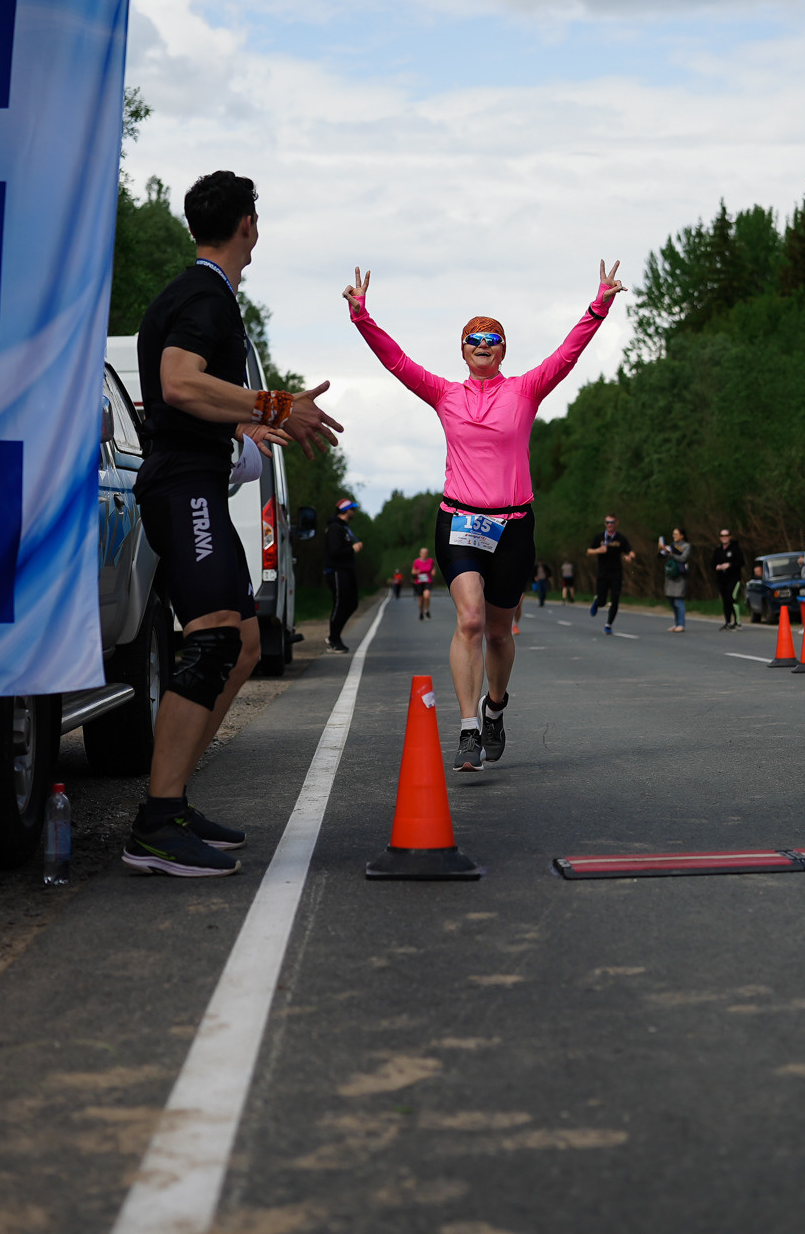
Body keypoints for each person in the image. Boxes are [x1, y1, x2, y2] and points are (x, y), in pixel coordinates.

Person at [124, 172, 341, 879]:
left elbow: (180, 397)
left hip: (194, 480)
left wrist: (246, 420)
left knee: (244, 644)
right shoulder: (204, 296)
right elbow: (178, 381)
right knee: (215, 634)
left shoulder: (202, 293)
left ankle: (173, 802)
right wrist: (274, 404)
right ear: (249, 226)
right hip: (181, 485)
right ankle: (156, 821)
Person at [347, 260, 623, 771]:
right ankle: (469, 727)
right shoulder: (444, 394)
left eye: (492, 338)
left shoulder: (525, 390)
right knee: (470, 620)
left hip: (514, 524)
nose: (482, 345)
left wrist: (599, 303)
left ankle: (495, 708)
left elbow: (568, 354)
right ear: (462, 349)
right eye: (473, 338)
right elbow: (398, 362)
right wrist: (363, 317)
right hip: (460, 522)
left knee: (499, 632)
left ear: (503, 349)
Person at [323, 498, 364, 653]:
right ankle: (333, 639)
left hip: (347, 570)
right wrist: (353, 549)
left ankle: (335, 636)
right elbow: (334, 552)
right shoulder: (334, 528)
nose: (353, 512)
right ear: (346, 511)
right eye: (352, 509)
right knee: (340, 604)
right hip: (337, 571)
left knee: (352, 603)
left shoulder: (344, 528)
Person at [586, 514, 632, 632]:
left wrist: (629, 557)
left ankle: (608, 624)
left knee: (615, 599)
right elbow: (589, 551)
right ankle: (597, 602)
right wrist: (598, 550)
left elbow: (630, 552)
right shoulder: (599, 537)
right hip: (603, 571)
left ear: (616, 523)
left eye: (611, 522)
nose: (609, 525)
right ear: (604, 524)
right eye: (607, 522)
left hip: (616, 572)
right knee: (602, 601)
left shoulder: (620, 538)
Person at [711, 528, 745, 631]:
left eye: (726, 535)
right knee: (725, 600)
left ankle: (737, 622)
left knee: (732, 598)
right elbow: (712, 563)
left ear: (730, 537)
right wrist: (716, 566)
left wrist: (729, 565)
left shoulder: (735, 548)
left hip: (734, 578)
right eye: (722, 536)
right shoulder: (718, 550)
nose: (724, 538)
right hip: (722, 579)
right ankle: (728, 622)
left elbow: (741, 562)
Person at [659, 527, 693, 631]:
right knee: (672, 600)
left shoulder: (686, 546)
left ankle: (681, 624)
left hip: (680, 575)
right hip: (671, 575)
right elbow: (661, 555)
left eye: (676, 534)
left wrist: (671, 552)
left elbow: (682, 557)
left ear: (682, 535)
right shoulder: (672, 546)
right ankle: (676, 623)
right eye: (673, 534)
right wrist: (662, 549)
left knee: (679, 600)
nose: (674, 536)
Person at [411, 547, 438, 620]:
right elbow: (413, 571)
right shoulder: (416, 561)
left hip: (428, 581)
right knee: (421, 599)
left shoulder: (430, 561)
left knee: (427, 595)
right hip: (419, 582)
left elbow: (433, 567)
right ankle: (421, 612)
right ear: (420, 554)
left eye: (426, 553)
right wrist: (417, 572)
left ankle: (427, 610)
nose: (424, 554)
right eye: (423, 553)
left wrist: (433, 571)